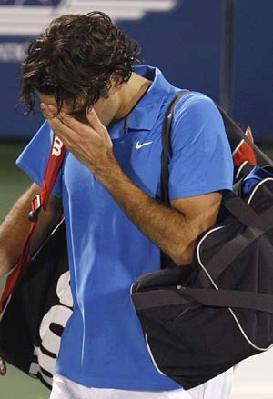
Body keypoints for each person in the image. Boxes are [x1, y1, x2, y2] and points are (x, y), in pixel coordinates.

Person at [0, 11, 234, 399]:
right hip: (76, 365)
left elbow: (189, 247)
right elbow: (39, 210)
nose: (62, 124)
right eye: (50, 114)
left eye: (70, 112)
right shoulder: (67, 111)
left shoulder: (191, 117)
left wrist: (105, 167)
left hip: (168, 372)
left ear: (112, 80)